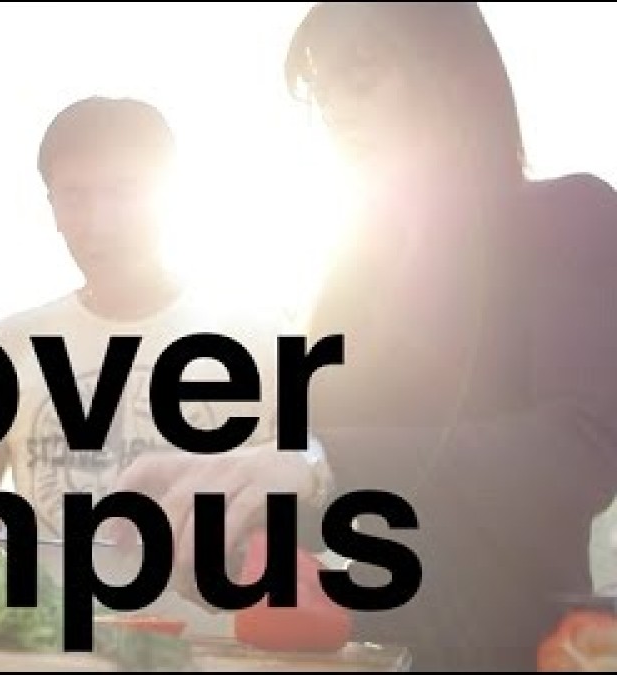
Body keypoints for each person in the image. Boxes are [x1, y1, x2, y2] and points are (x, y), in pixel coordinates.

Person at [110, 2, 617, 670]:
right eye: (321, 94)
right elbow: (328, 504)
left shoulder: (569, 215)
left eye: (362, 78)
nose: (336, 113)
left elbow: (577, 451)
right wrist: (218, 511)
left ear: (449, 76)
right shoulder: (344, 278)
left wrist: (318, 464)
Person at [0, 96, 292, 632]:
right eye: (74, 196)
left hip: (215, 653)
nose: (98, 223)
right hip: (51, 654)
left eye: (123, 193)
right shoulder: (10, 345)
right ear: (51, 207)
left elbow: (298, 504)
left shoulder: (258, 341)